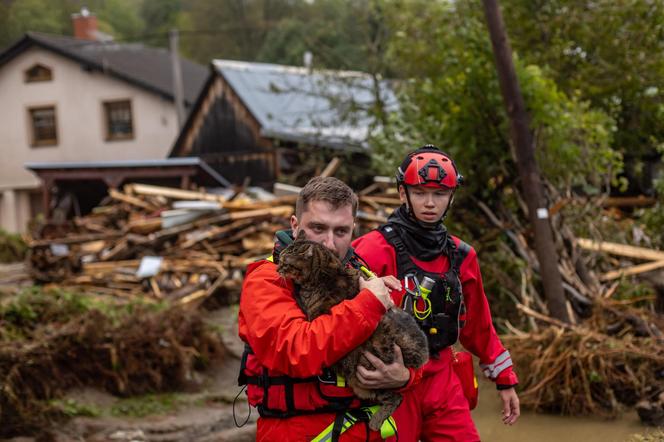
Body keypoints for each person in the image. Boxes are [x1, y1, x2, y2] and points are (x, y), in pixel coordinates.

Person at [353, 145, 520, 441]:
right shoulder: (371, 249)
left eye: (440, 194)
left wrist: (505, 380)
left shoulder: (462, 256)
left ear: (451, 196)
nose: (430, 203)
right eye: (420, 193)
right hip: (388, 383)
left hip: (442, 379)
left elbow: (478, 326)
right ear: (403, 194)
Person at [238, 176, 416, 441]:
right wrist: (368, 304)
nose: (329, 243)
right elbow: (297, 350)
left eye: (341, 231)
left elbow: (410, 346)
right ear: (295, 226)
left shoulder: (361, 274)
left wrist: (404, 377)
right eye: (318, 228)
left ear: (354, 229)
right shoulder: (268, 280)